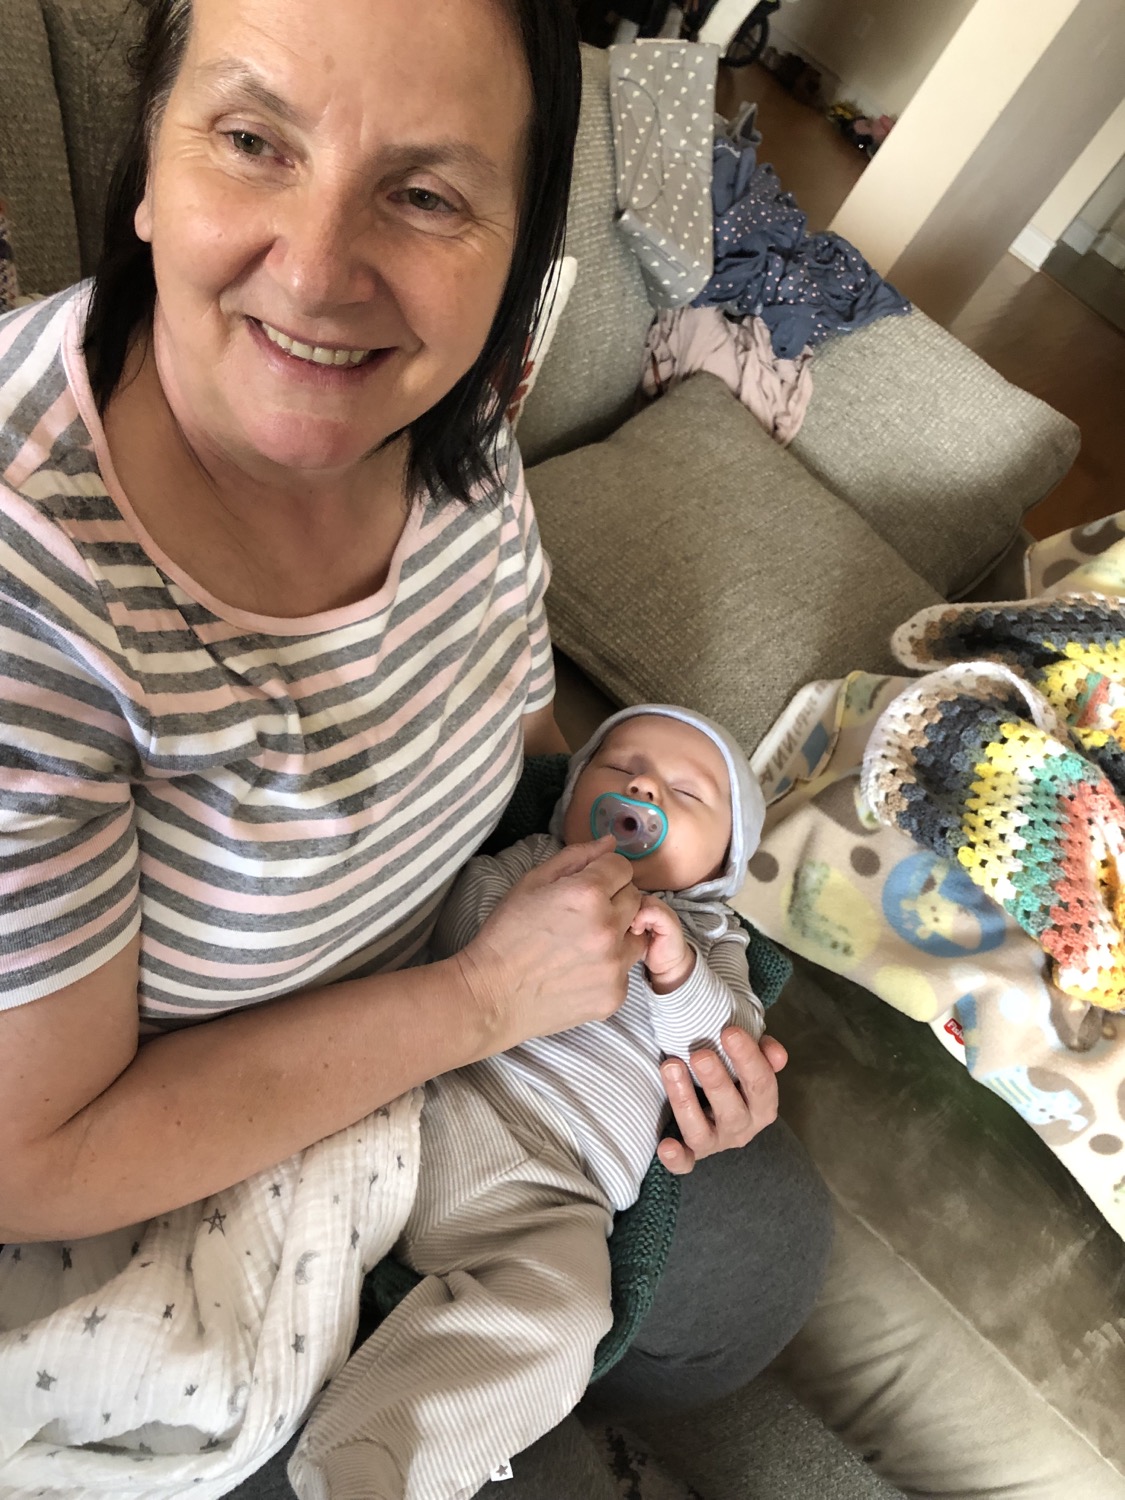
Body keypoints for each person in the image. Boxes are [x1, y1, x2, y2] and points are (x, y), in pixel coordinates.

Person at [0, 0, 831, 1494]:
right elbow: (35, 1161)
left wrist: (676, 1005)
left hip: (460, 1066)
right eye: (252, 140)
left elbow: (519, 733)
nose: (318, 274)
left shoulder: (449, 416)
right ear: (147, 160)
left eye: (428, 194)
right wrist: (482, 999)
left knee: (764, 1256)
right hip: (159, 1194)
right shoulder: (30, 582)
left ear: (516, 251)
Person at [289, 704, 767, 1498]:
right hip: (435, 1107)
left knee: (569, 1318)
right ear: (571, 796)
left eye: (685, 793)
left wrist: (679, 973)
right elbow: (445, 940)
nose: (643, 787)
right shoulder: (529, 865)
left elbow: (725, 1053)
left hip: (553, 1200)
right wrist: (531, 909)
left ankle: (368, 1457)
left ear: (723, 863)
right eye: (619, 768)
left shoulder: (713, 943)